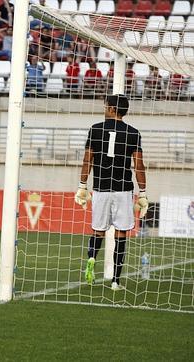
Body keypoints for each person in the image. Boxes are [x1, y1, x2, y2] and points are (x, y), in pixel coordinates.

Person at [75, 94, 147, 291]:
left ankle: (91, 258)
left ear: (113, 109)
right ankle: (115, 280)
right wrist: (143, 193)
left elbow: (87, 159)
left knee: (98, 230)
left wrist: (82, 185)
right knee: (121, 232)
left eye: (106, 106)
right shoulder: (133, 133)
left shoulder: (96, 129)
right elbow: (138, 165)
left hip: (101, 187)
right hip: (123, 189)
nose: (104, 108)